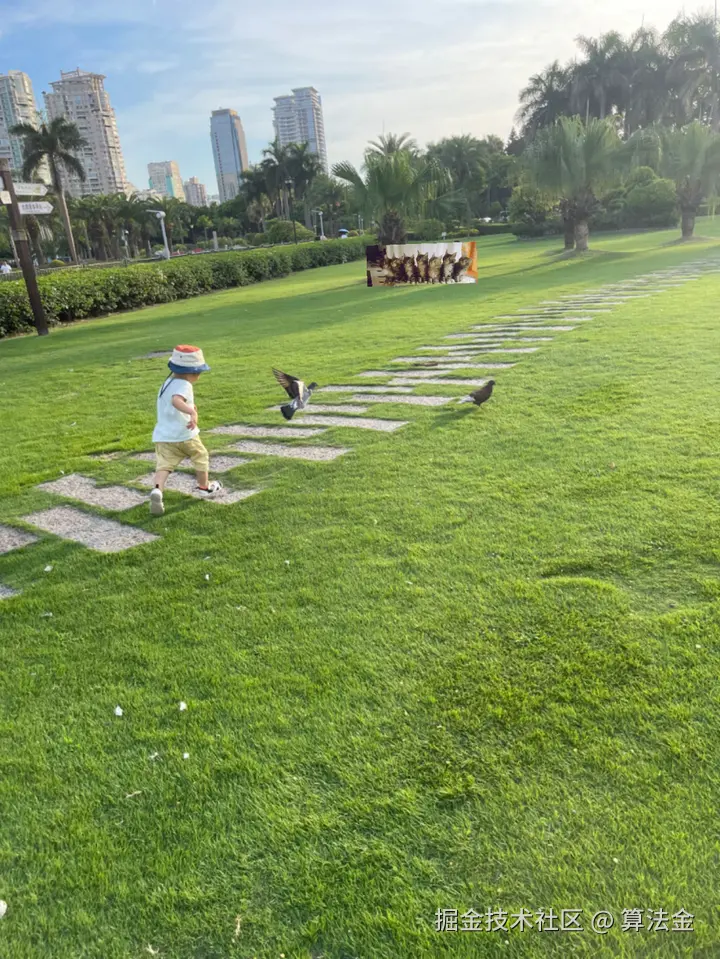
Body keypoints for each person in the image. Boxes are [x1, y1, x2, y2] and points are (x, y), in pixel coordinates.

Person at [149, 345, 222, 515]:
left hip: (164, 436)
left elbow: (172, 402)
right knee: (200, 456)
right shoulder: (184, 384)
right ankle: (204, 487)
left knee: (164, 466)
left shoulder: (167, 383)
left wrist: (190, 406)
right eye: (199, 372)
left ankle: (157, 490)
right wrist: (192, 412)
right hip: (185, 434)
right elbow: (176, 401)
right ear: (191, 372)